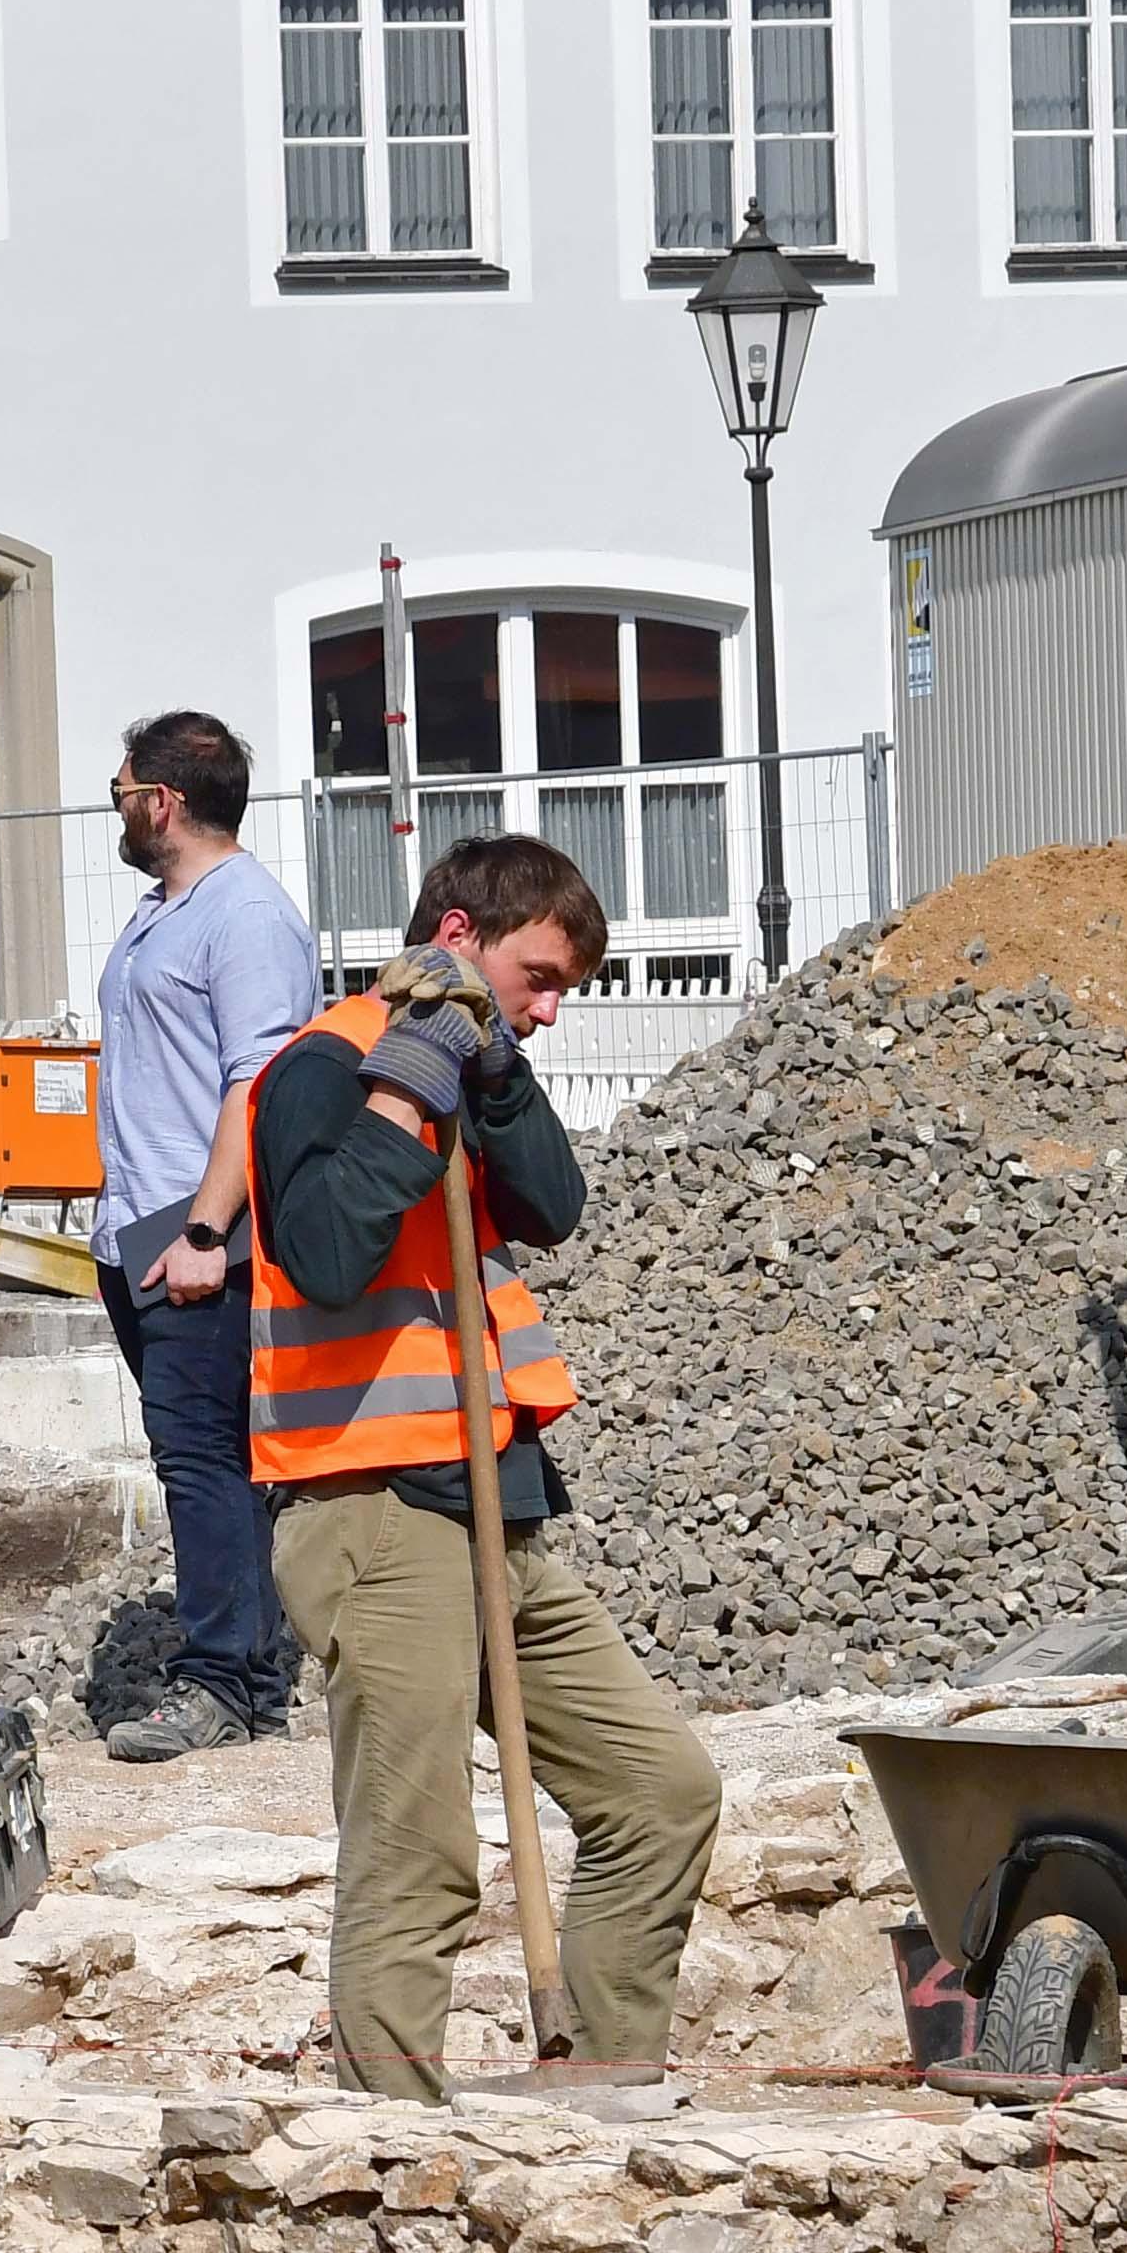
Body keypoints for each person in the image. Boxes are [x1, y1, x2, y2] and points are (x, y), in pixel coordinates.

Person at [243, 831, 722, 2097]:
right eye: (539, 976)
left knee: (660, 1788)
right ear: (456, 935)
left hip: (492, 1507)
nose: (552, 1008)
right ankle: (394, 2149)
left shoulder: (476, 1068)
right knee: (419, 1851)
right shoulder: (321, 1072)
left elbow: (554, 1205)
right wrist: (406, 1091)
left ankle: (606, 2081)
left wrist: (492, 1071)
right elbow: (329, 1252)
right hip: (374, 1508)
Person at [90, 710, 321, 1765]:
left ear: (163, 802)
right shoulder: (163, 911)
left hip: (197, 1239)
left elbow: (258, 1085)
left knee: (204, 1457)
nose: (121, 807)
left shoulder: (247, 919)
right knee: (202, 1452)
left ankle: (227, 1680)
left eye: (123, 789)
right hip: (139, 1234)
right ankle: (252, 1668)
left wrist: (204, 1229)